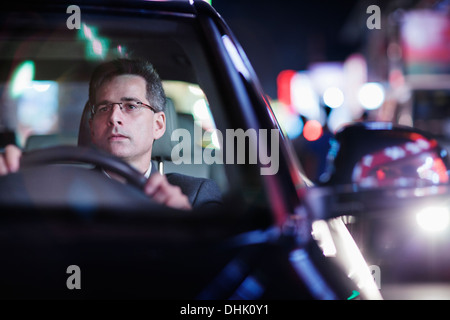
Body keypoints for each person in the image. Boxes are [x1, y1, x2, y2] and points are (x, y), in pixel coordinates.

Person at [0, 58, 222, 210]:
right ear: (92, 129)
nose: (114, 117)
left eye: (131, 106)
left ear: (159, 124)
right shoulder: (54, 190)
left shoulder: (194, 194)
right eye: (104, 108)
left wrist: (185, 227)